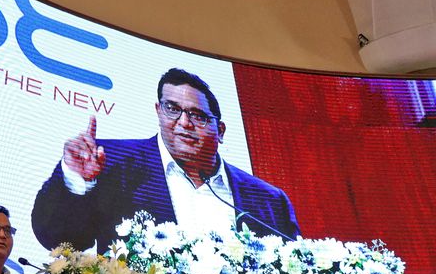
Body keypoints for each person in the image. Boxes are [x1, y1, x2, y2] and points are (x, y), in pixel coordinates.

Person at [31, 68, 301, 253]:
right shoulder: (112, 163)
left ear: (219, 131)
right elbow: (59, 240)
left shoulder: (267, 199)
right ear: (158, 111)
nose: (184, 123)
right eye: (172, 109)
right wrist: (77, 182)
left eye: (197, 115)